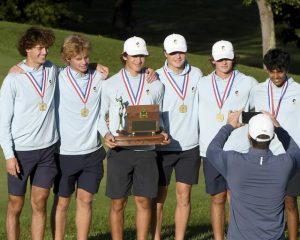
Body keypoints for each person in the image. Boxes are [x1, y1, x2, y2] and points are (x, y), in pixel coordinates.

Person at [98, 36, 169, 240]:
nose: (139, 60)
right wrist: (107, 134)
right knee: (118, 202)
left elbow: (160, 116)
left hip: (147, 152)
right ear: (124, 56)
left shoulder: (156, 85)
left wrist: (163, 132)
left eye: (142, 56)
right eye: (134, 55)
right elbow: (100, 116)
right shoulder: (110, 84)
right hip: (119, 150)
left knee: (144, 201)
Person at [0, 27, 58, 240]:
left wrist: (94, 66)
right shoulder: (13, 80)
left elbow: (75, 66)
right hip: (21, 152)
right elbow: (3, 122)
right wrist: (9, 156)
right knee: (16, 204)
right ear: (27, 48)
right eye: (40, 48)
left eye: (46, 48)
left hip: (47, 151)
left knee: (39, 202)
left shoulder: (52, 70)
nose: (45, 52)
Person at [206, 110, 300, 240]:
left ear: (249, 136)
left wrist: (229, 126)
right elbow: (295, 151)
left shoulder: (233, 161)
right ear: (272, 137)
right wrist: (278, 128)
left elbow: (211, 150)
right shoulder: (285, 164)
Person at [198, 40, 258, 240]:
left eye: (228, 58)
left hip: (239, 149)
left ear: (234, 59)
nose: (224, 62)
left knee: (237, 198)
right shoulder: (202, 83)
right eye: (220, 59)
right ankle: (218, 237)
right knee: (217, 197)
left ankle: (238, 235)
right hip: (211, 150)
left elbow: (260, 113)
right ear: (213, 60)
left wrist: (243, 118)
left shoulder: (248, 82)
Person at [51, 34, 106, 240]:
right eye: (78, 59)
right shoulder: (56, 77)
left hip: (92, 152)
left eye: (86, 57)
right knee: (62, 202)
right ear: (67, 59)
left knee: (85, 200)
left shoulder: (99, 77)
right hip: (64, 153)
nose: (84, 62)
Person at [151, 33, 202, 240]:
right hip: (164, 146)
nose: (177, 56)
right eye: (173, 53)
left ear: (185, 51)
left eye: (180, 51)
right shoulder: (155, 76)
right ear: (165, 53)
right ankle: (156, 237)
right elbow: (151, 109)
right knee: (158, 198)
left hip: (190, 146)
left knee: (184, 196)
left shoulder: (197, 74)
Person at [250, 48, 300, 240]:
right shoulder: (258, 91)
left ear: (286, 68)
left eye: (280, 70)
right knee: (269, 202)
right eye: (272, 71)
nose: (276, 75)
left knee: (290, 201)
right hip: (265, 154)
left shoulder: (297, 90)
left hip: (291, 155)